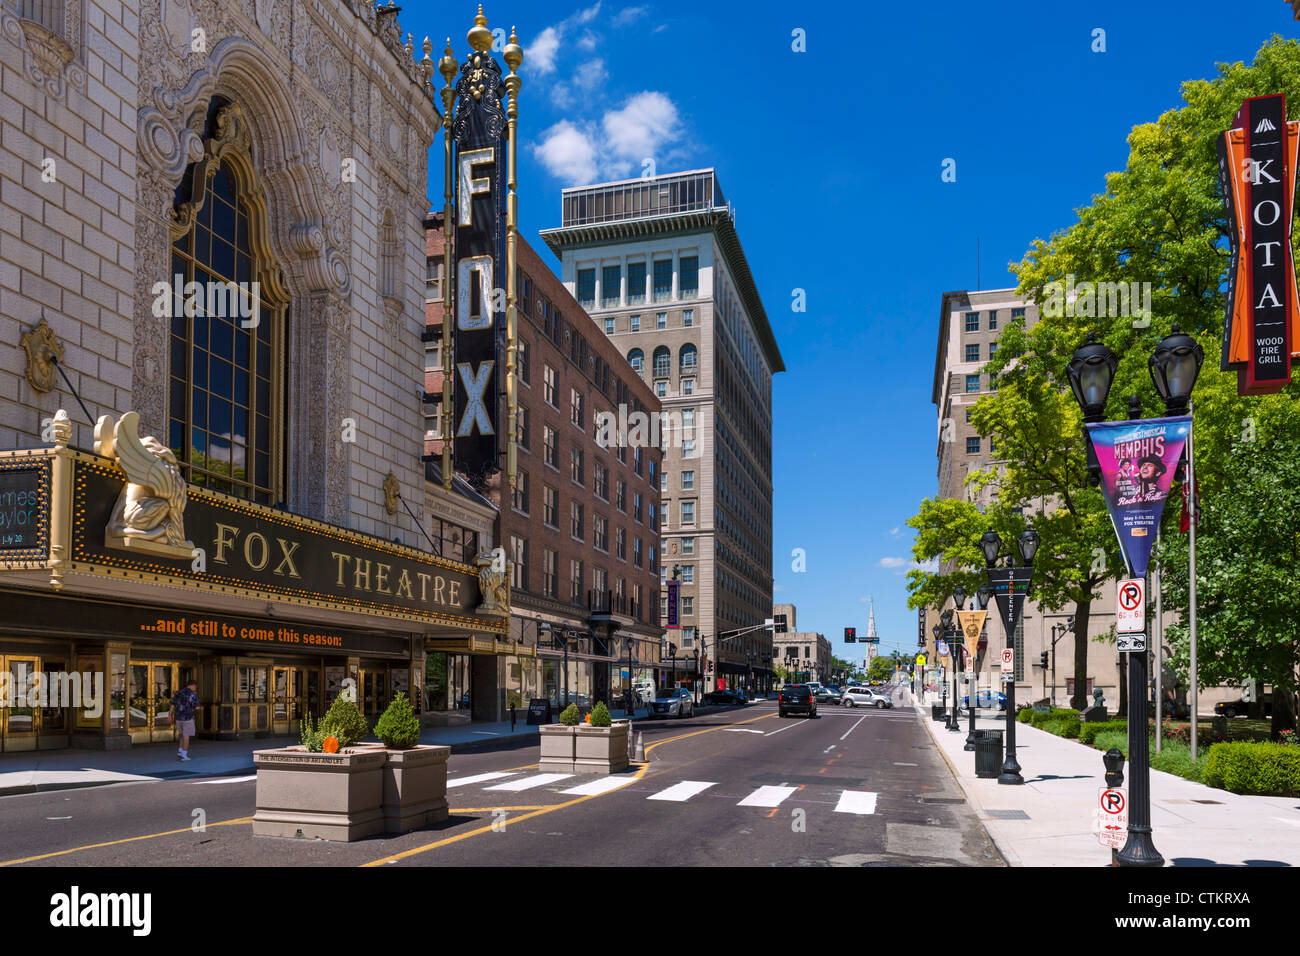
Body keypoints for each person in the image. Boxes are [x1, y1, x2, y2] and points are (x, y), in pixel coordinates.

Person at [169, 679, 202, 761]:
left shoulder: (178, 693)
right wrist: (201, 708)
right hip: (188, 718)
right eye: (195, 687)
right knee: (186, 736)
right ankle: (184, 754)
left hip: (178, 717)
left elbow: (173, 704)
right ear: (192, 685)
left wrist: (169, 715)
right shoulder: (193, 695)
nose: (195, 688)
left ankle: (180, 750)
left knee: (182, 734)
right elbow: (197, 707)